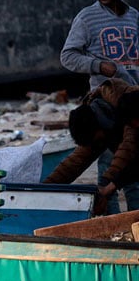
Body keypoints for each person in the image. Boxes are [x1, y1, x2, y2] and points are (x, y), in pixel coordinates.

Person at [60, 0, 139, 213]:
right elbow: (68, 56)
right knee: (108, 166)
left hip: (134, 102)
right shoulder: (86, 17)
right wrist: (97, 65)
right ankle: (111, 222)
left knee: (132, 164)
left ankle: (135, 220)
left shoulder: (134, 17)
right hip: (106, 106)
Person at [43, 81, 139, 215]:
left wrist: (109, 185)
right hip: (131, 164)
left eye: (96, 139)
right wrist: (44, 189)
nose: (97, 144)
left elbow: (128, 152)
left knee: (129, 187)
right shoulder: (93, 118)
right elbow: (75, 162)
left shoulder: (130, 107)